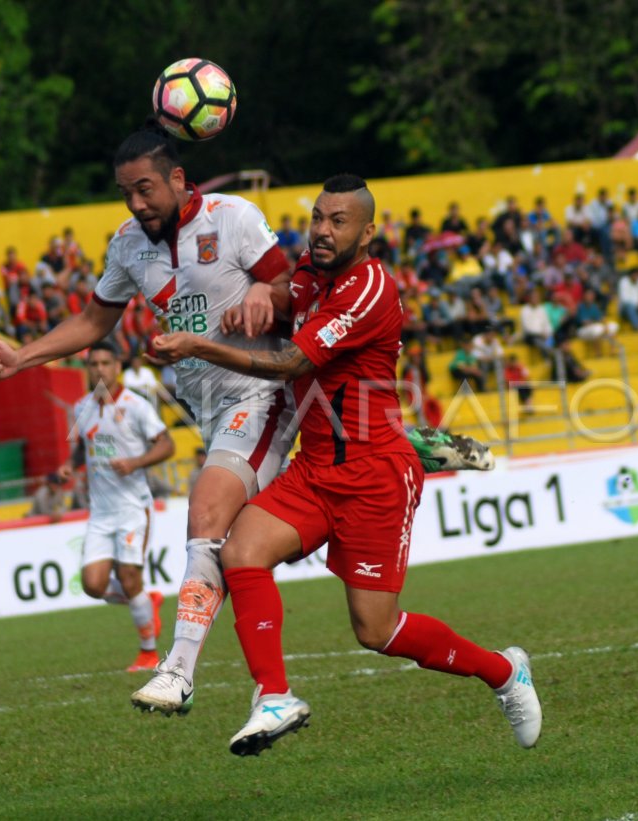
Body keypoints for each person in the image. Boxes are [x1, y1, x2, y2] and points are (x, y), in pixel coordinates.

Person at [0, 125, 493, 710]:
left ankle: (178, 669)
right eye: (126, 192)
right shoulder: (127, 244)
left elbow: (292, 288)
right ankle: (408, 444)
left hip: (261, 393)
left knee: (207, 511)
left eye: (145, 189)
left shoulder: (234, 218)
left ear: (177, 178)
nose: (136, 203)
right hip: (219, 409)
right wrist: (23, 356)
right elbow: (96, 322)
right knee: (354, 616)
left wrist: (262, 290)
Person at [144, 174, 541, 754]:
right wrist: (264, 294)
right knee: (240, 553)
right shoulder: (311, 266)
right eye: (318, 217)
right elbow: (287, 294)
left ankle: (504, 673)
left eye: (339, 222)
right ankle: (273, 696)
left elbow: (288, 364)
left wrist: (196, 343)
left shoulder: (369, 289)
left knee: (375, 631)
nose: (323, 231)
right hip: (316, 467)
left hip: (375, 476)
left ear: (368, 232)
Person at [58, 342, 174, 671]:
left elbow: (167, 444)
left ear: (117, 367)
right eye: (93, 364)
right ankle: (145, 600)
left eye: (105, 363)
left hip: (133, 508)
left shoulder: (136, 405)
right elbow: (83, 446)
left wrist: (136, 462)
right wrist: (71, 464)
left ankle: (148, 652)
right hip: (101, 512)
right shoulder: (82, 406)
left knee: (127, 576)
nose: (99, 369)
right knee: (94, 586)